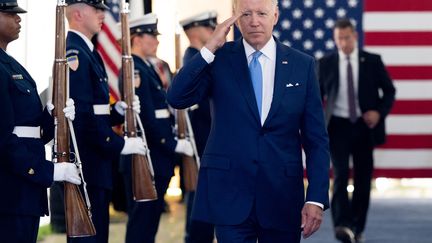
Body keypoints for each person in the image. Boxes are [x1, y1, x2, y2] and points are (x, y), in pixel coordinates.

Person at [167, 0, 330, 242]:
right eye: (246, 14)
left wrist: (315, 197)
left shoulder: (302, 65)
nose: (254, 21)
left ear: (275, 15)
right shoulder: (219, 59)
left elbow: (316, 139)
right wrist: (209, 47)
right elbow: (177, 97)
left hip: (281, 196)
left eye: (262, 13)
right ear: (234, 18)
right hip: (229, 195)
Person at [65, 1, 146, 242]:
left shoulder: (88, 51)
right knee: (88, 236)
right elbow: (83, 118)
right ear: (78, 13)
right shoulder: (75, 53)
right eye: (96, 9)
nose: (103, 14)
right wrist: (120, 144)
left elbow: (96, 111)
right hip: (88, 161)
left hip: (97, 161)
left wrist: (117, 111)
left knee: (98, 234)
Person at [0, 1, 81, 242]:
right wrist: (49, 171)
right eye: (9, 13)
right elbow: (3, 140)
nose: (18, 19)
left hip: (24, 192)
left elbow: (30, 131)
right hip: (9, 193)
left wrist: (53, 114)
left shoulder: (11, 65)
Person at [318, 18, 396, 243]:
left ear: (355, 36)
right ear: (335, 39)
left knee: (363, 179)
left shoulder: (372, 61)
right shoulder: (325, 63)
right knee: (341, 176)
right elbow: (314, 99)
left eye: (347, 37)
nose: (343, 43)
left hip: (364, 127)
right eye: (339, 38)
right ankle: (342, 226)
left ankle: (357, 228)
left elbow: (389, 92)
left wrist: (378, 113)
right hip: (338, 127)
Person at [120, 13, 194, 243]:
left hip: (157, 156)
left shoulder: (146, 67)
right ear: (137, 38)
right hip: (148, 155)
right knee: (142, 221)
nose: (156, 41)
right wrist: (172, 144)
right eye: (151, 36)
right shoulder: (135, 69)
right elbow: (146, 118)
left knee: (150, 220)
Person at [179, 10, 218, 243]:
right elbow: (204, 105)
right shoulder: (195, 59)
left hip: (207, 135)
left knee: (204, 194)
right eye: (208, 27)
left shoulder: (201, 57)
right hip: (203, 136)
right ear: (194, 31)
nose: (213, 32)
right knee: (201, 194)